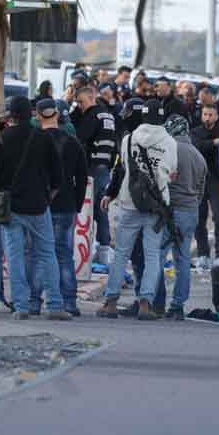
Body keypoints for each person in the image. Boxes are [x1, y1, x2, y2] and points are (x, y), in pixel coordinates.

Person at [0, 96, 71, 321]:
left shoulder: (0, 139)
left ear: (10, 116)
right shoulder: (42, 138)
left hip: (11, 207)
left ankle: (21, 306)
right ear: (31, 114)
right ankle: (55, 305)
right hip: (38, 206)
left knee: (14, 257)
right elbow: (57, 176)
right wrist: (47, 197)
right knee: (47, 254)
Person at [98, 101, 178, 320]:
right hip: (156, 206)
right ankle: (145, 303)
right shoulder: (170, 142)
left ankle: (111, 302)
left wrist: (110, 193)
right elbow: (172, 174)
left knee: (121, 253)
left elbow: (122, 169)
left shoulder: (128, 140)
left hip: (129, 203)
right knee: (152, 256)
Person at [27, 99, 88, 317]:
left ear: (37, 115)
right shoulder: (72, 142)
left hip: (39, 204)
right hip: (66, 204)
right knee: (64, 253)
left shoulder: (33, 141)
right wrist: (77, 204)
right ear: (58, 115)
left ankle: (34, 302)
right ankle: (69, 302)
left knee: (37, 253)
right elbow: (82, 177)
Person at [161, 114, 206, 320]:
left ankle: (155, 302)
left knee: (158, 256)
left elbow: (162, 181)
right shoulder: (198, 156)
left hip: (170, 211)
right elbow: (200, 190)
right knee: (183, 259)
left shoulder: (169, 150)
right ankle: (178, 306)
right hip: (190, 212)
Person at [73, 86, 117, 260]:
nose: (79, 106)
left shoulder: (92, 115)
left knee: (86, 209)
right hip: (105, 167)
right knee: (101, 209)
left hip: (92, 168)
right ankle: (104, 246)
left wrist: (76, 113)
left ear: (91, 98)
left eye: (81, 102)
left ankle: (87, 249)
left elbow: (80, 137)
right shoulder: (107, 115)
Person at [191, 103, 219, 269]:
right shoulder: (196, 132)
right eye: (205, 114)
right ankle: (203, 254)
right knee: (199, 219)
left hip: (218, 181)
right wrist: (213, 143)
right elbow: (196, 146)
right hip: (198, 181)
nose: (207, 118)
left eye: (210, 114)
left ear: (217, 116)